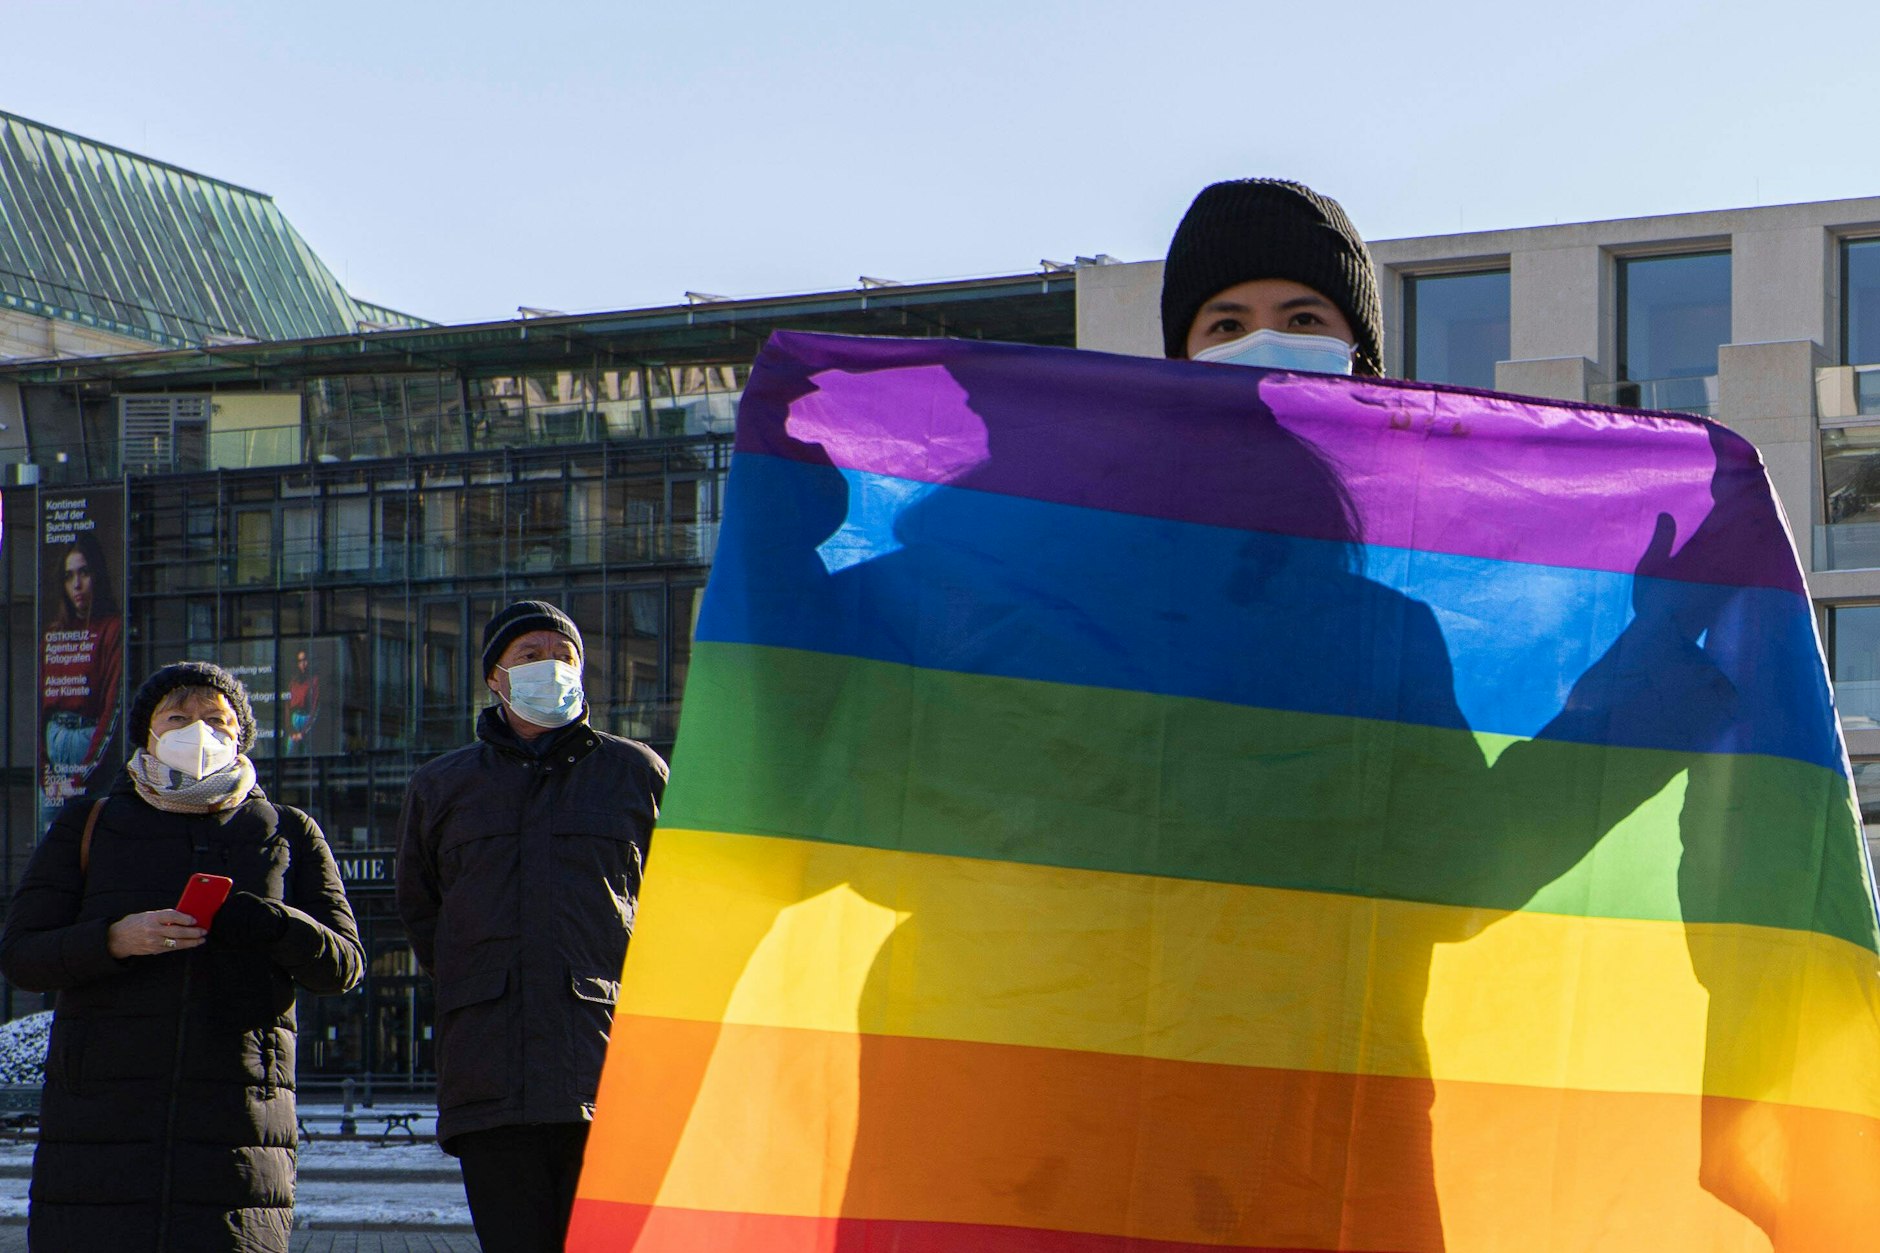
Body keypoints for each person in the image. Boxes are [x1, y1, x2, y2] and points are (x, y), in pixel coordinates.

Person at [0, 660, 364, 1253]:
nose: (199, 731)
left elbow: (343, 964)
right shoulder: (88, 824)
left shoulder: (287, 831)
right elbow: (22, 954)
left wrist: (274, 924)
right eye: (179, 717)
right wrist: (115, 938)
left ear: (240, 736)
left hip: (239, 1126)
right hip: (102, 1132)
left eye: (217, 721)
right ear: (148, 732)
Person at [395, 600, 668, 1253]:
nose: (550, 667)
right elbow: (423, 912)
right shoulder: (441, 786)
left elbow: (673, 911)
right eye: (530, 656)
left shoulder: (638, 774)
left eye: (563, 656)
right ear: (495, 677)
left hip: (606, 1074)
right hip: (491, 1081)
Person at [41, 533, 125, 819]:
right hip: (53, 755)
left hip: (88, 747)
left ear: (97, 574)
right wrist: (45, 777)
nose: (76, 585)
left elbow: (112, 708)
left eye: (84, 573)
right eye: (69, 576)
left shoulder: (113, 628)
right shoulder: (54, 634)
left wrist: (78, 780)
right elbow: (39, 711)